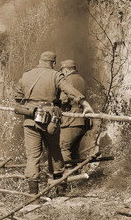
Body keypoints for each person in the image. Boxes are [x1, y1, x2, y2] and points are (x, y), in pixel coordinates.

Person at [14, 51, 94, 199]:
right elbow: (69, 91)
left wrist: (32, 107)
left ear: (39, 61)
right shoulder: (55, 75)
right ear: (53, 63)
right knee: (55, 152)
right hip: (49, 119)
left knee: (32, 157)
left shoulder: (26, 75)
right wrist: (84, 103)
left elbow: (18, 98)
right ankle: (60, 190)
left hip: (30, 119)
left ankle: (33, 196)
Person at [59, 60, 90, 167]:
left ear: (66, 70)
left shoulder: (68, 80)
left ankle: (68, 174)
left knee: (63, 147)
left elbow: (64, 99)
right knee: (74, 150)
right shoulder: (80, 79)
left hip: (71, 119)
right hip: (82, 120)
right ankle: (77, 175)